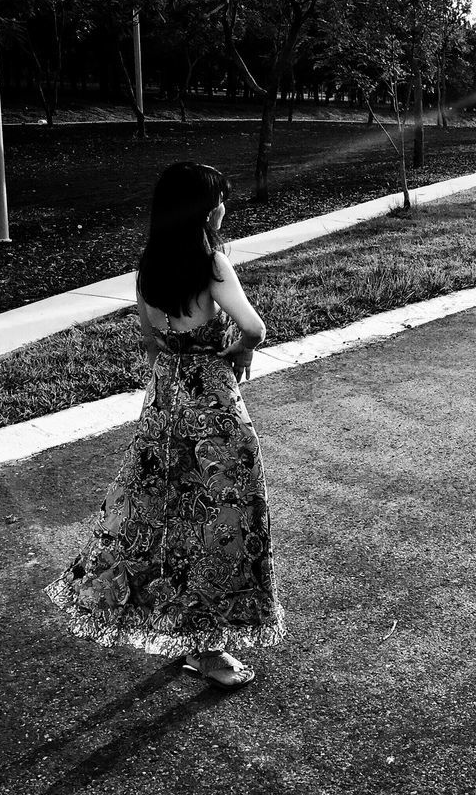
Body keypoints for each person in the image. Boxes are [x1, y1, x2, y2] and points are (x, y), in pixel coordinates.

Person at [47, 162, 285, 688]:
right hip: (212, 408)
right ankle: (209, 647)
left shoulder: (148, 265)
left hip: (163, 404)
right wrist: (239, 349)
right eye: (220, 200)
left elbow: (151, 337)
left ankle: (186, 631)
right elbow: (254, 327)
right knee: (224, 518)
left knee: (162, 517)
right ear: (205, 209)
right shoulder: (212, 263)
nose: (225, 208)